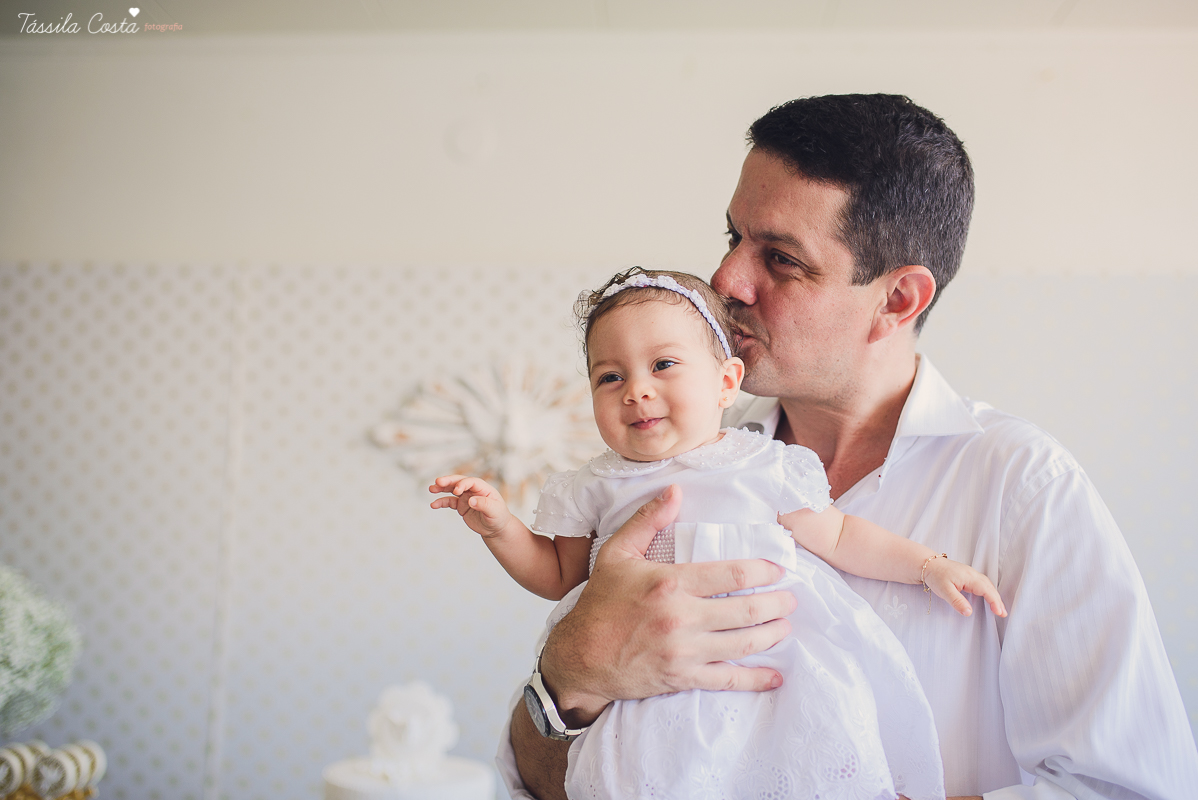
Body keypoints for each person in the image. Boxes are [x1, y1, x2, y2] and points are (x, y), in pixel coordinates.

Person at [501, 94, 1198, 800]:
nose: (726, 280)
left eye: (780, 258)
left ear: (898, 300)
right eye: (732, 237)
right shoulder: (658, 475)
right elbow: (534, 784)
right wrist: (570, 675)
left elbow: (1135, 788)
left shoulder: (1024, 490)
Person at [433, 267, 1007, 799]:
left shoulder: (762, 465)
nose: (636, 390)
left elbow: (840, 539)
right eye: (610, 377)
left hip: (771, 671)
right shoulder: (595, 485)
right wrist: (500, 527)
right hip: (647, 690)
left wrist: (930, 565)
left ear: (727, 382)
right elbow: (557, 576)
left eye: (663, 365)